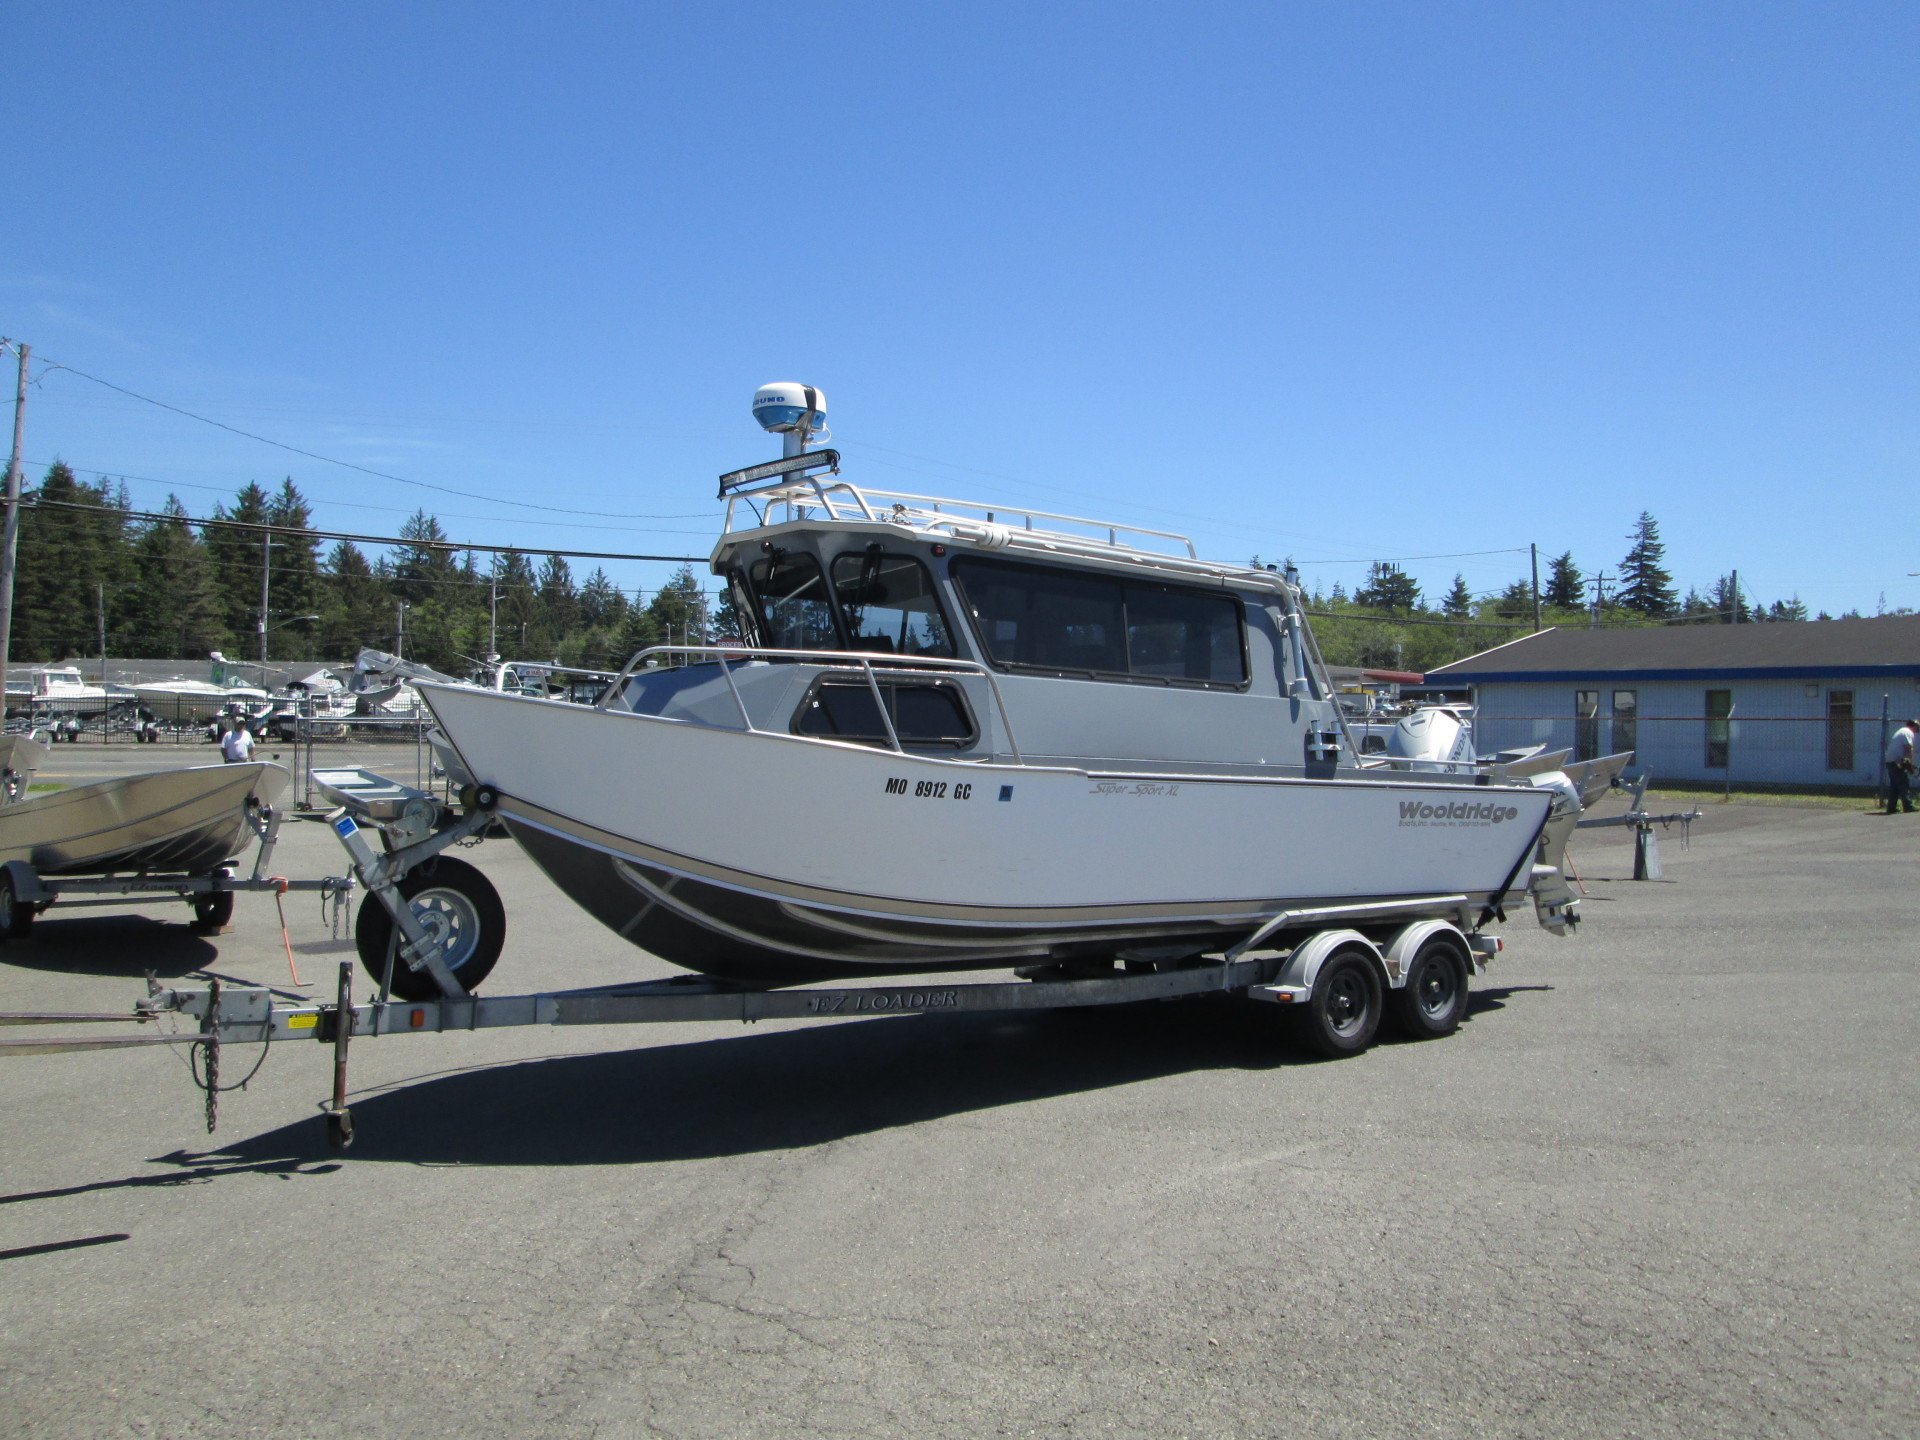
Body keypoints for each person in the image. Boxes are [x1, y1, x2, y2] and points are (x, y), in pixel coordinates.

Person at [1884, 718, 1918, 815]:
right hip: (1897, 761)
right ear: (1914, 726)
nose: (1917, 729)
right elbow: (1908, 748)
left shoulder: (1902, 731)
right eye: (1917, 727)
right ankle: (1908, 806)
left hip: (1890, 760)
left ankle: (1891, 808)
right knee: (1903, 783)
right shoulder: (1908, 732)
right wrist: (1909, 763)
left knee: (1895, 785)